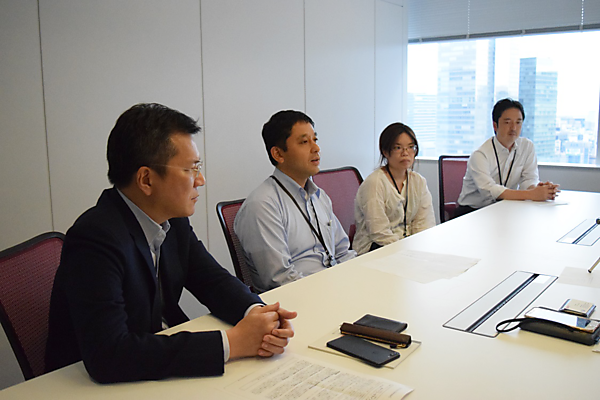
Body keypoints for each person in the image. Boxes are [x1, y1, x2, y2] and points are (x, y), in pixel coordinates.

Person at [45, 103, 296, 383]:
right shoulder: (95, 238)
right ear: (146, 179)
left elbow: (212, 281)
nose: (201, 180)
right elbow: (109, 355)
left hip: (156, 368)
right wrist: (233, 342)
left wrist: (259, 315)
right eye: (191, 169)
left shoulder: (173, 222)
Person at [234, 110, 356, 293]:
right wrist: (332, 291)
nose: (316, 148)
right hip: (298, 299)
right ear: (278, 154)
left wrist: (357, 279)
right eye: (304, 142)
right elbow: (280, 279)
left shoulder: (319, 196)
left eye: (315, 139)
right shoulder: (262, 205)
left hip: (334, 287)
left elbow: (343, 252)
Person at [455, 98, 560, 217]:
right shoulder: (480, 154)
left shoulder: (527, 146)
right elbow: (489, 190)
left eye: (518, 122)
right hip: (472, 212)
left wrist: (538, 189)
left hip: (504, 207)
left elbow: (529, 179)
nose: (513, 128)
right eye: (507, 122)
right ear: (495, 125)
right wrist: (532, 195)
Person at [353, 123, 435, 255]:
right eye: (398, 148)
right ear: (385, 152)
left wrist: (419, 248)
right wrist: (406, 251)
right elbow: (379, 232)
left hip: (407, 248)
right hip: (376, 249)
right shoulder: (375, 183)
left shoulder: (418, 181)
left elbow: (425, 224)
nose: (405, 153)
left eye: (410, 147)